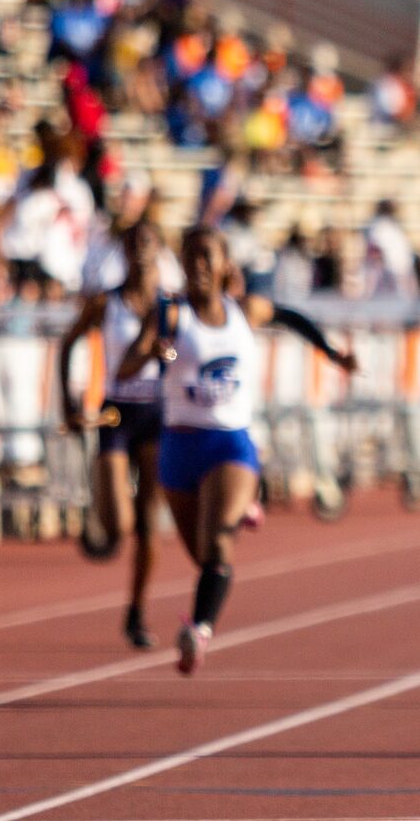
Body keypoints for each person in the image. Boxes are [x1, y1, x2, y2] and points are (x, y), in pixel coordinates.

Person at [133, 225, 356, 674]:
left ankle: (199, 629)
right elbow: (136, 357)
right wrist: (156, 352)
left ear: (224, 267)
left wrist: (330, 352)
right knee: (205, 558)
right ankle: (238, 513)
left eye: (207, 256)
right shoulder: (170, 314)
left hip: (228, 440)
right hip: (178, 443)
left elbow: (291, 317)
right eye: (190, 255)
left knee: (217, 545)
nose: (198, 265)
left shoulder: (245, 310)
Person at [65, 217, 178, 649]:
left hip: (156, 411)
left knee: (149, 523)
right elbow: (69, 341)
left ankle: (137, 610)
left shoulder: (171, 304)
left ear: (159, 249)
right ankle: (105, 514)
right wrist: (67, 402)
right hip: (115, 412)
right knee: (120, 524)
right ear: (125, 251)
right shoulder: (106, 302)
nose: (142, 251)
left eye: (149, 243)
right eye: (134, 244)